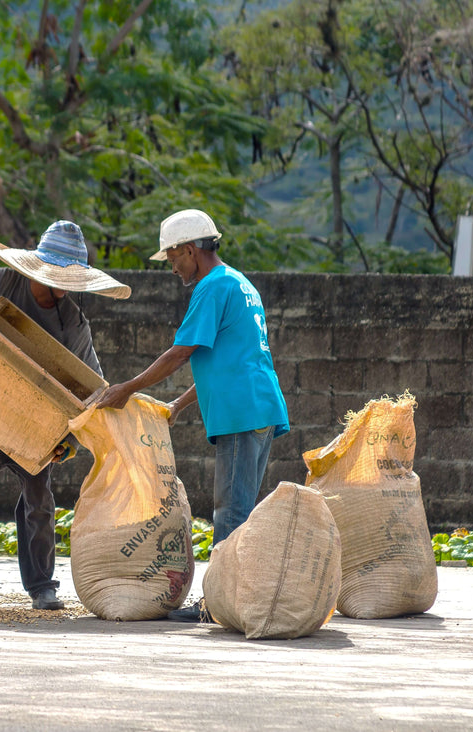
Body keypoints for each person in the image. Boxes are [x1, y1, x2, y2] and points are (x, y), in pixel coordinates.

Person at [0, 220, 131, 610]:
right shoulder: (0, 282)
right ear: (40, 270)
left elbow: (92, 389)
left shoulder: (72, 321)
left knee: (39, 502)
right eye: (60, 281)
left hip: (33, 425)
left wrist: (66, 442)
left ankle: (41, 586)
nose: (66, 291)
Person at [95, 208, 289, 622]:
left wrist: (126, 389)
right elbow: (222, 360)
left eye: (172, 258)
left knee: (231, 512)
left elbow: (182, 352)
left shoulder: (212, 287)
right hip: (259, 405)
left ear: (190, 250)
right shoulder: (240, 283)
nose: (172, 268)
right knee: (242, 509)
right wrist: (178, 405)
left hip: (241, 412)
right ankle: (233, 600)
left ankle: (218, 606)